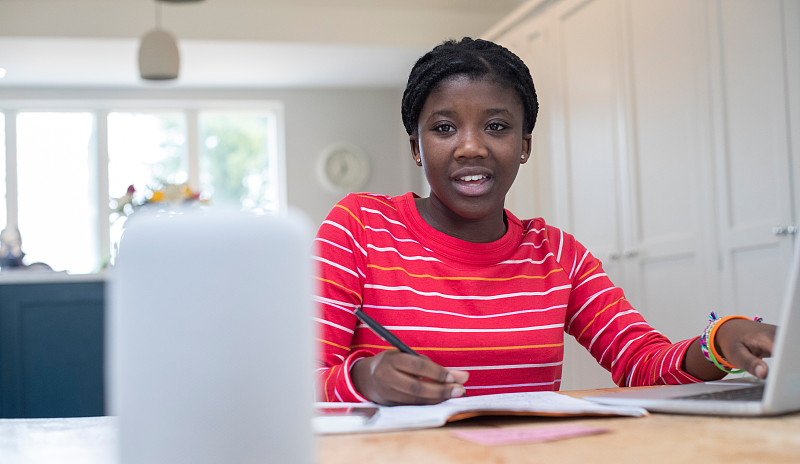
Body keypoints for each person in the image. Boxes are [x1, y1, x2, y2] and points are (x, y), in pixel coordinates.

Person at [313, 37, 776, 406]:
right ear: (416, 146)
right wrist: (363, 378)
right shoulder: (359, 226)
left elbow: (642, 362)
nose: (471, 147)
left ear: (524, 145)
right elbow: (299, 384)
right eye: (443, 128)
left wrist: (720, 341)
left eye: (496, 126)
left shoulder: (558, 256)